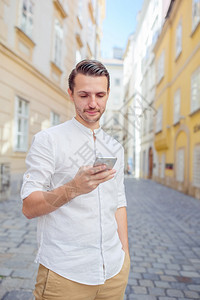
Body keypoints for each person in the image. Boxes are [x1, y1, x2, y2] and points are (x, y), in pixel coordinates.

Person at [21, 59, 130, 300]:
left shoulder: (115, 147)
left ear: (108, 94)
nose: (93, 103)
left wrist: (125, 256)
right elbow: (28, 207)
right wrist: (73, 188)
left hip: (113, 274)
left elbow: (118, 202)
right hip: (65, 275)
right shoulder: (48, 140)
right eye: (84, 95)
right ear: (70, 94)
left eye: (100, 94)